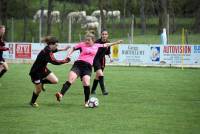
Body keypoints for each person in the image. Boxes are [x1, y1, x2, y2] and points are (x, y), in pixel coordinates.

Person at [55, 33, 122, 107]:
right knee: (71, 79)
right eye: (86, 40)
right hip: (78, 64)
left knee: (86, 83)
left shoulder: (97, 45)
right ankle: (61, 95)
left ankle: (86, 102)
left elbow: (106, 44)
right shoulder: (81, 44)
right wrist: (68, 55)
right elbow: (73, 48)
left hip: (88, 67)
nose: (86, 41)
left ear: (93, 40)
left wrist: (116, 42)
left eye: (88, 40)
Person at [29, 36, 70, 107]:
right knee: (38, 90)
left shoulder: (49, 49)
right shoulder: (47, 51)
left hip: (43, 70)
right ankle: (32, 102)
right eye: (56, 45)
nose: (56, 46)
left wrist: (64, 49)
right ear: (51, 44)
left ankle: (42, 82)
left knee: (55, 80)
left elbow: (55, 50)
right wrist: (65, 61)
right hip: (35, 73)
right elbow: (54, 62)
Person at [91, 30, 112, 95]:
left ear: (107, 35)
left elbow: (107, 52)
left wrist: (110, 58)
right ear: (101, 35)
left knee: (97, 76)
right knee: (100, 74)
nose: (104, 35)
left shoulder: (108, 42)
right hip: (95, 59)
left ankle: (93, 90)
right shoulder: (97, 42)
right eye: (103, 34)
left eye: (105, 34)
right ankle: (104, 91)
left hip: (102, 60)